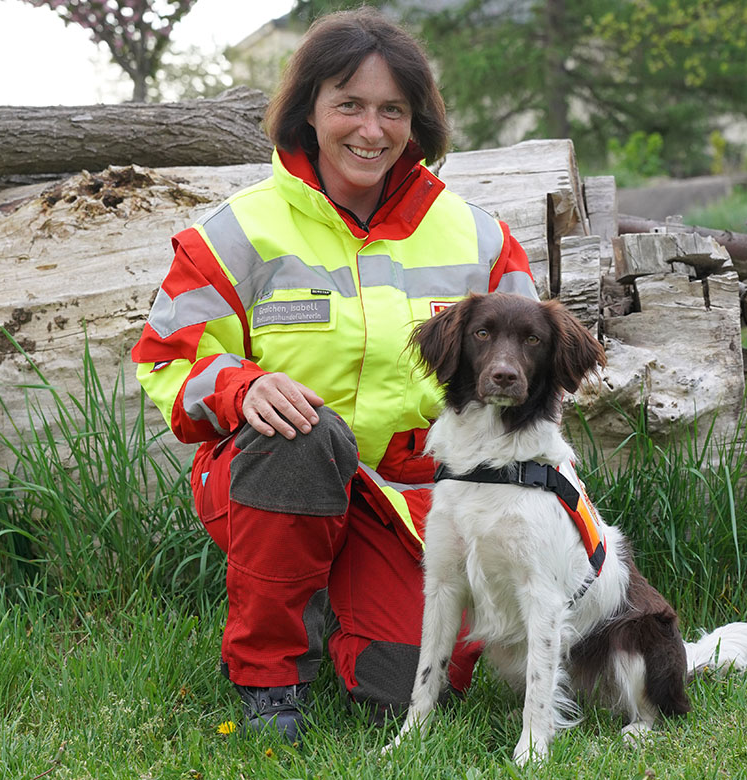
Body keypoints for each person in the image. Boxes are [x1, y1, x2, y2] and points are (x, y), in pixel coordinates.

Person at [131, 7, 536, 742]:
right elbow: (167, 358)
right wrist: (241, 385)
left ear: (417, 124)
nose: (371, 130)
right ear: (308, 112)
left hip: (411, 500)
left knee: (405, 688)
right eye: (348, 104)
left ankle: (332, 605)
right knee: (300, 431)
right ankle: (270, 680)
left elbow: (531, 379)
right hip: (274, 475)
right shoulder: (236, 230)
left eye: (392, 110)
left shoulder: (479, 236)